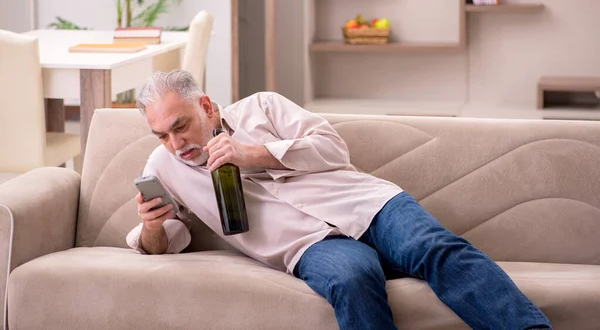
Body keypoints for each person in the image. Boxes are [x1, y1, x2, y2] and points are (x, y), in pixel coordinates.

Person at [126, 70, 552, 330]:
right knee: (352, 278)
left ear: (205, 105)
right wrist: (151, 227)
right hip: (309, 246)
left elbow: (333, 149)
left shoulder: (264, 107)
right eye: (161, 134)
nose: (175, 142)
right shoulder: (162, 166)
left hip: (366, 206)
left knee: (434, 248)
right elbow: (170, 237)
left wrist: (251, 154)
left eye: (180, 126)